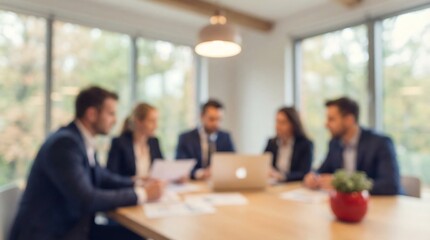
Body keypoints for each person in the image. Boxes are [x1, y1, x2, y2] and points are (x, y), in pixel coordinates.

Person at [9, 86, 164, 240]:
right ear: (91, 114)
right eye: (110, 114)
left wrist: (135, 182)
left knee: (136, 235)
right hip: (52, 234)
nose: (115, 120)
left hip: (75, 228)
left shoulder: (81, 141)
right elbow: (86, 199)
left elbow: (102, 176)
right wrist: (142, 194)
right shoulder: (64, 144)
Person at [303, 97, 402, 195]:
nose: (326, 124)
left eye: (331, 119)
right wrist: (313, 176)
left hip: (383, 205)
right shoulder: (335, 143)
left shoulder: (380, 143)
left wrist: (342, 184)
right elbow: (323, 170)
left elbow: (390, 185)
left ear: (349, 120)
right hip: (347, 205)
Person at [176, 99, 235, 180]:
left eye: (219, 119)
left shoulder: (225, 137)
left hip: (219, 182)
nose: (216, 124)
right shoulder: (186, 138)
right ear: (202, 117)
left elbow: (233, 162)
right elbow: (180, 166)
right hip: (194, 184)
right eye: (212, 119)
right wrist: (200, 173)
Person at [107, 103, 163, 178]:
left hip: (152, 188)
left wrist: (175, 177)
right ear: (138, 121)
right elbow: (111, 176)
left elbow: (162, 168)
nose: (156, 125)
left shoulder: (154, 142)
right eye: (151, 121)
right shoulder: (120, 143)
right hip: (129, 188)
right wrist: (137, 180)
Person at [264, 107, 313, 182]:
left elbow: (304, 172)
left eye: (283, 123)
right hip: (274, 184)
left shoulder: (305, 144)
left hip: (294, 185)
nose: (278, 126)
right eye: (277, 122)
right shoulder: (271, 143)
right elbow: (262, 164)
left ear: (293, 125)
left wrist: (282, 176)